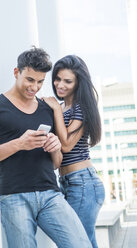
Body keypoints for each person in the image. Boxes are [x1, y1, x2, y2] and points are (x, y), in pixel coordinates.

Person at [0, 47, 92, 248]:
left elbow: (56, 164)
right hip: (14, 197)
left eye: (40, 82)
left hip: (50, 195)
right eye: (30, 80)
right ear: (16, 72)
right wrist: (20, 144)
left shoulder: (46, 108)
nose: (35, 87)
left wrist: (55, 147)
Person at [42, 55, 105, 248]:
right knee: (83, 240)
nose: (60, 85)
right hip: (67, 182)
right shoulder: (62, 107)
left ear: (78, 83)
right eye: (58, 78)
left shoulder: (81, 107)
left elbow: (67, 144)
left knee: (77, 240)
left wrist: (55, 110)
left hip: (83, 182)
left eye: (68, 81)